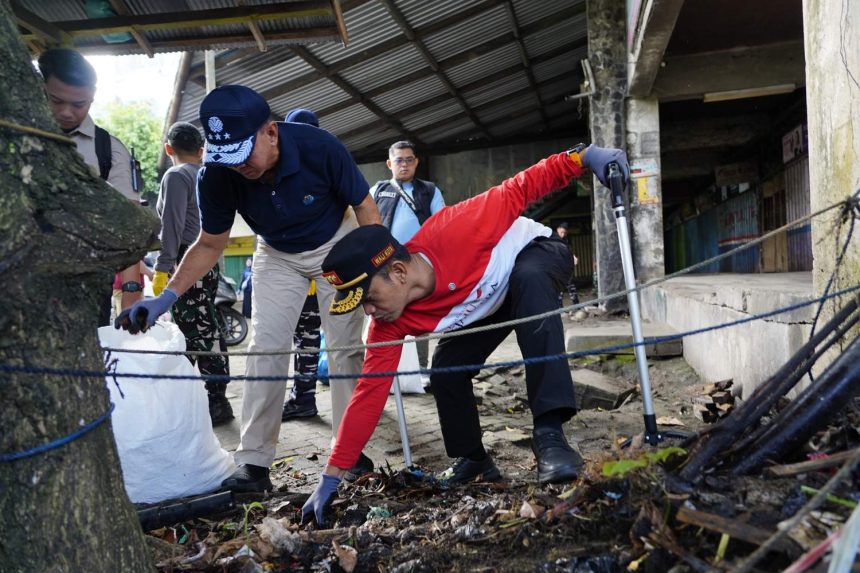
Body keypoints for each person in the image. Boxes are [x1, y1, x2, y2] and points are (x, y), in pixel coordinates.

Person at [302, 144, 630, 525]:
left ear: (399, 273)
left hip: (534, 257)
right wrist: (331, 476)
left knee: (531, 280)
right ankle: (473, 460)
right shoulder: (389, 323)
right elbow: (368, 394)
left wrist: (584, 158)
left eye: (370, 298)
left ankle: (550, 436)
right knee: (446, 366)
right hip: (489, 301)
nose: (369, 312)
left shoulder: (461, 226)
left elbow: (525, 185)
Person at [116, 85, 381, 493]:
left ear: (270, 132)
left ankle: (349, 452)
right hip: (276, 252)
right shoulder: (217, 174)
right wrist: (166, 296)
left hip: (337, 244)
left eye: (244, 154)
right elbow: (209, 243)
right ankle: (254, 462)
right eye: (228, 158)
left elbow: (365, 207)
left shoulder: (319, 147)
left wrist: (376, 266)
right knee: (265, 347)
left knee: (344, 346)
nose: (240, 167)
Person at [37, 48, 144, 325]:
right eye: (56, 100)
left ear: (93, 97)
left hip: (87, 284)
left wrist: (132, 289)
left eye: (80, 104)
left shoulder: (109, 150)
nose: (67, 112)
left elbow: (128, 225)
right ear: (40, 87)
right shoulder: (11, 136)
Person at [153, 122, 233, 425]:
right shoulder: (204, 173)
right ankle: (212, 397)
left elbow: (170, 226)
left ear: (168, 149)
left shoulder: (175, 175)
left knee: (197, 329)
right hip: (208, 260)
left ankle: (215, 402)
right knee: (206, 324)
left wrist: (164, 267)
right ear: (201, 150)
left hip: (186, 259)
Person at [371, 140, 445, 386]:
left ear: (416, 162)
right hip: (384, 265)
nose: (404, 165)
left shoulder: (430, 190)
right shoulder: (377, 191)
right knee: (383, 314)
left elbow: (442, 224)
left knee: (419, 315)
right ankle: (385, 374)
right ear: (389, 164)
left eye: (409, 159)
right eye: (399, 160)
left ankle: (421, 372)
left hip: (418, 265)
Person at [279, 108, 325, 422]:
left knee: (306, 336)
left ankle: (304, 398)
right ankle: (305, 396)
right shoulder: (328, 163)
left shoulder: (293, 170)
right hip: (326, 271)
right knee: (314, 337)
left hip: (306, 270)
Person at [554, 222, 580, 310]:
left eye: (565, 233)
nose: (563, 234)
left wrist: (573, 257)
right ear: (558, 229)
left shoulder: (567, 239)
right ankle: (559, 308)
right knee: (558, 287)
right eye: (562, 232)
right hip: (557, 265)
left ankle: (576, 306)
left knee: (571, 285)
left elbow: (569, 250)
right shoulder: (552, 238)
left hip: (566, 265)